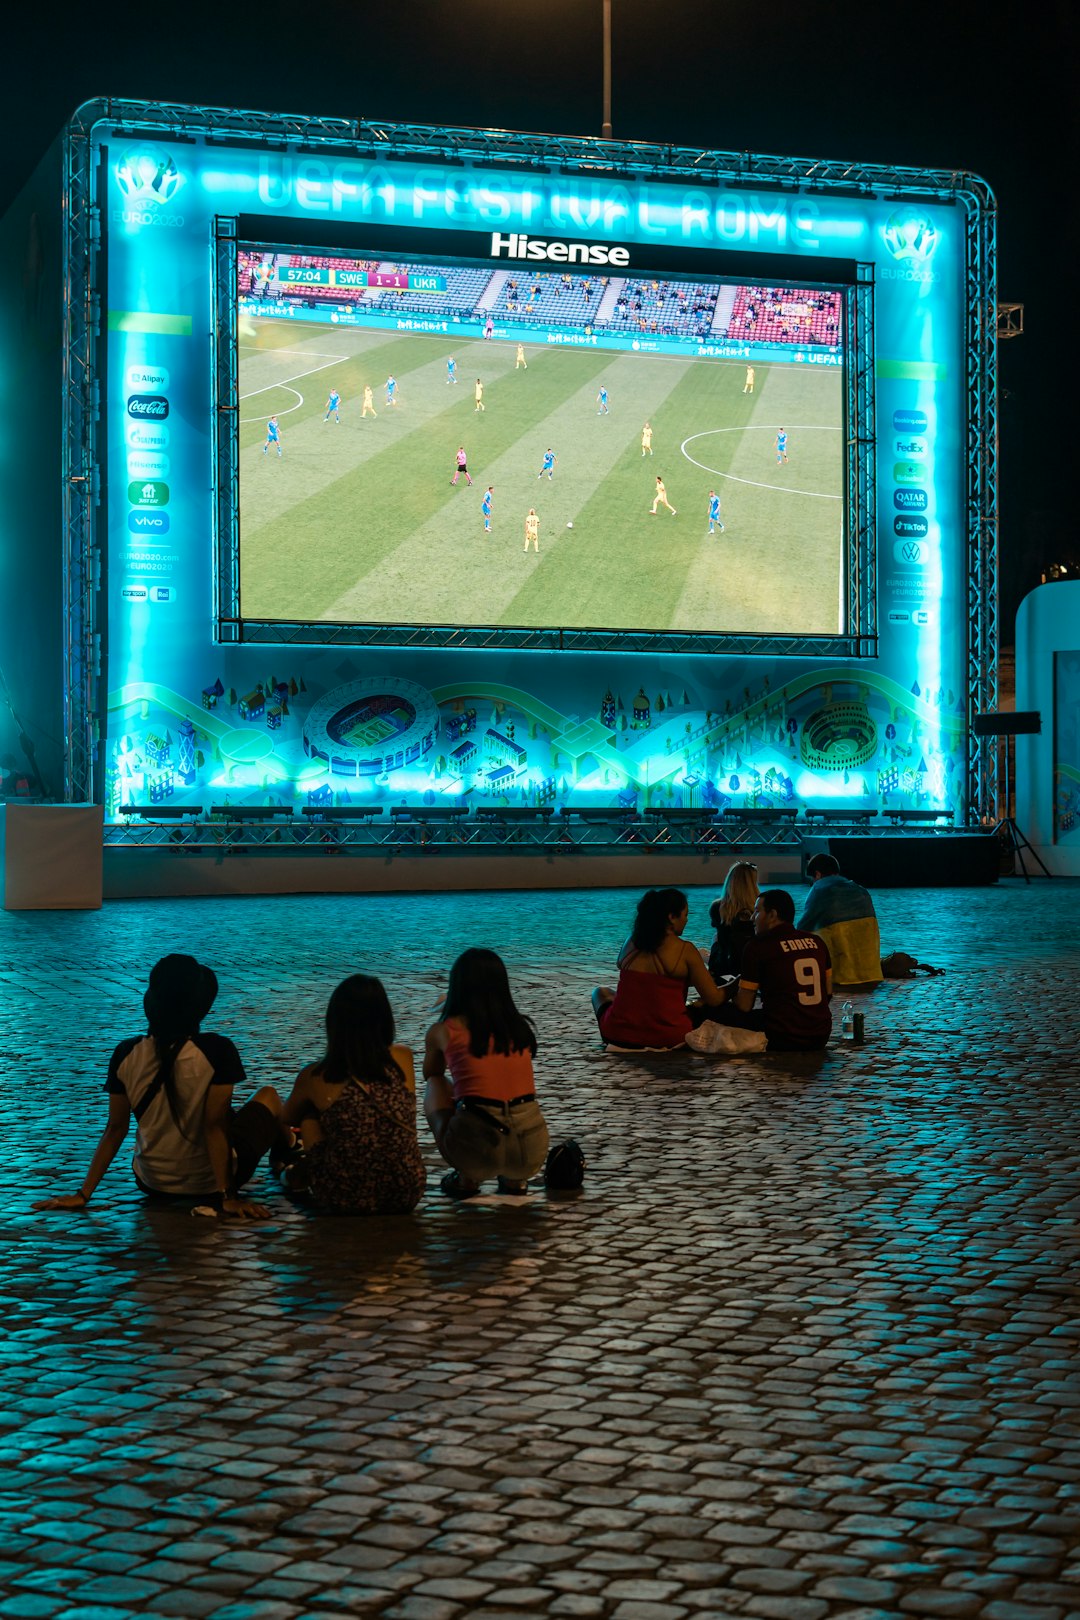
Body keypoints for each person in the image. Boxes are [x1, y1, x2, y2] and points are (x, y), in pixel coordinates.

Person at [32, 955, 280, 1218]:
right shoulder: (218, 1050)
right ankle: (287, 1153)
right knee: (269, 1097)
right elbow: (213, 1126)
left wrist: (83, 1194)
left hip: (152, 1182)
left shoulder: (126, 1052)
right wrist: (228, 1197)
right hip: (209, 1182)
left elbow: (115, 1128)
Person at [277, 975, 424, 1216]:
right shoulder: (402, 1058)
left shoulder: (317, 1075)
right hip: (406, 1191)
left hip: (344, 1197)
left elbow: (287, 1116)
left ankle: (294, 1176)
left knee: (310, 1116)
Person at [423, 949, 549, 1200]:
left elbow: (432, 1073)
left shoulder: (444, 1030)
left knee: (437, 1084)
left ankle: (466, 1179)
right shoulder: (520, 1029)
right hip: (530, 1150)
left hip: (476, 1148)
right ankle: (516, 1182)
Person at [592, 888, 727, 1050]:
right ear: (671, 917)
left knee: (600, 992)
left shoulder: (631, 942)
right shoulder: (685, 950)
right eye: (685, 915)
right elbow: (715, 998)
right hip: (669, 1036)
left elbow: (649, 981)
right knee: (701, 1006)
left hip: (618, 1034)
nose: (686, 920)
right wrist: (737, 984)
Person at [707, 890, 832, 1051]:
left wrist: (731, 990)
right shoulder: (817, 942)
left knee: (713, 1012)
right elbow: (827, 993)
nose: (752, 918)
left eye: (757, 912)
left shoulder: (758, 946)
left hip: (783, 1034)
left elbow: (744, 1005)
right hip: (820, 1034)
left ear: (772, 915)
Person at [797, 853, 882, 988]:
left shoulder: (819, 889)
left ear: (817, 874)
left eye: (812, 878)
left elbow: (803, 926)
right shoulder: (861, 890)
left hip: (842, 979)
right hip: (872, 975)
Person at [707, 861, 759, 981]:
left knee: (713, 940)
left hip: (726, 966)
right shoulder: (760, 909)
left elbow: (720, 935)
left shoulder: (718, 907)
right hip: (754, 965)